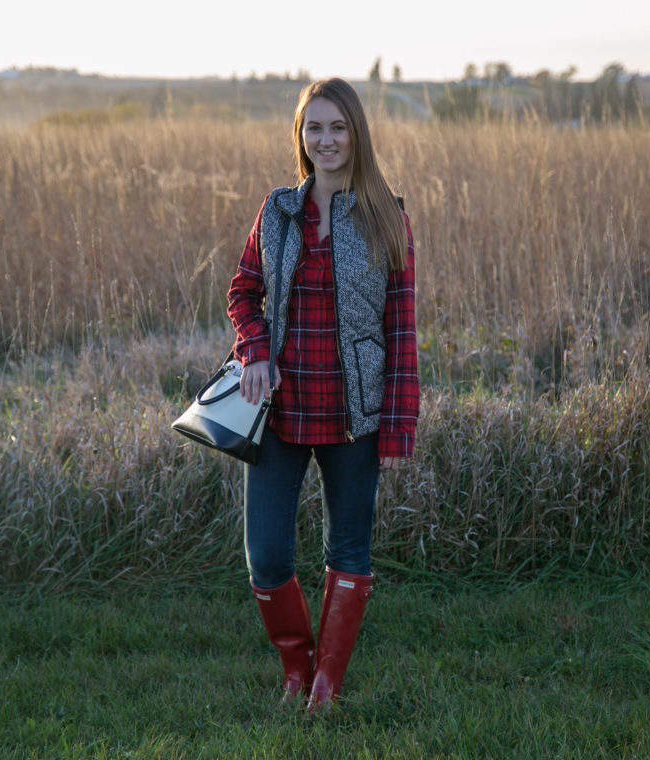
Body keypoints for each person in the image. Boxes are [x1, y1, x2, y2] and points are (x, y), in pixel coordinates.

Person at [226, 77, 419, 711]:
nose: (326, 139)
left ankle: (327, 684)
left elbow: (402, 328)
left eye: (338, 127)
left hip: (355, 415)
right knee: (268, 556)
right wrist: (254, 350)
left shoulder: (387, 214)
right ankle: (296, 667)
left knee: (349, 549)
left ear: (356, 134)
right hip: (279, 412)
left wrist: (398, 426)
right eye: (315, 128)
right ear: (301, 136)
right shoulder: (276, 211)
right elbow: (242, 291)